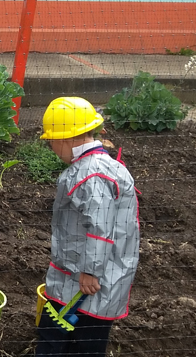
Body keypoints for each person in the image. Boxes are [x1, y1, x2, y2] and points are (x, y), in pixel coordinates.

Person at [36, 97, 140, 356]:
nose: (51, 148)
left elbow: (100, 227)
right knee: (84, 342)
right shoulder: (106, 166)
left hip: (87, 279)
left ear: (66, 139)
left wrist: (90, 271)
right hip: (92, 273)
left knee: (67, 341)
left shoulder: (89, 174)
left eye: (51, 142)